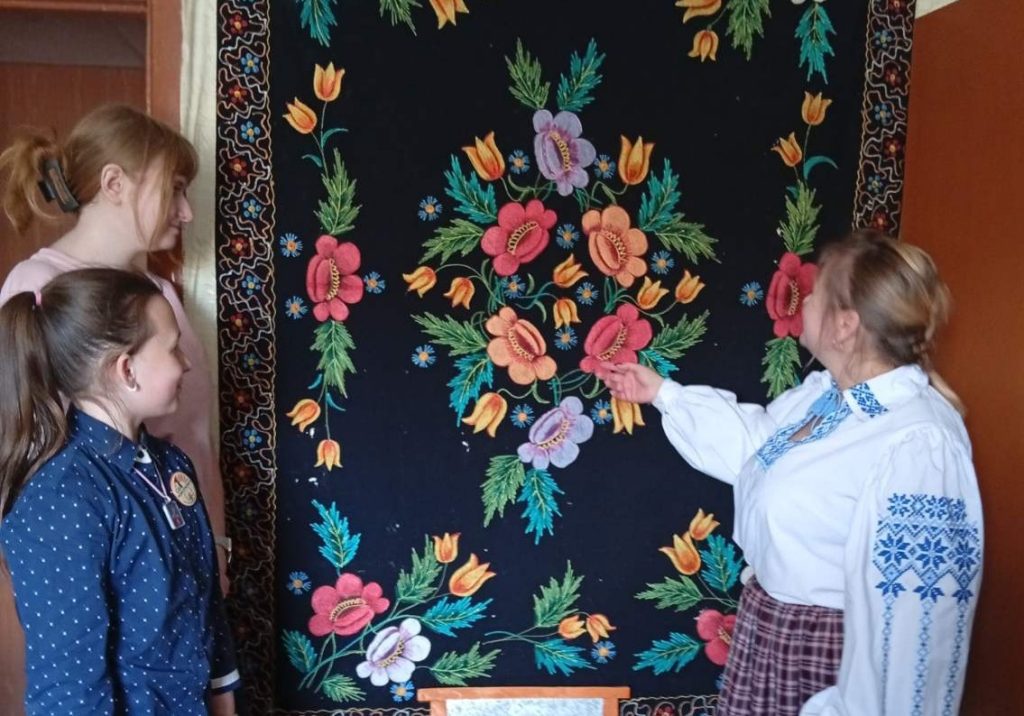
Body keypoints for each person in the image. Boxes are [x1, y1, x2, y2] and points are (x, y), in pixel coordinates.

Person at [601, 231, 982, 715]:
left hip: (827, 660)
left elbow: (914, 622)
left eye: (817, 291)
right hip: (773, 636)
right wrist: (664, 394)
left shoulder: (917, 442)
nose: (805, 299)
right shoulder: (828, 398)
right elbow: (756, 450)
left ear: (844, 325)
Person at [0, 104, 230, 591]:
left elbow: (194, 437)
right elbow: (34, 452)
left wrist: (214, 543)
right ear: (114, 183)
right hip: (111, 567)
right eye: (174, 189)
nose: (186, 212)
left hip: (182, 553)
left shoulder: (161, 296)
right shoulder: (37, 288)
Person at [0, 268, 239, 715]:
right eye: (173, 348)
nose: (186, 362)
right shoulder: (60, 498)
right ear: (127, 369)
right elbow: (70, 690)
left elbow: (208, 610)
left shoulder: (171, 465)